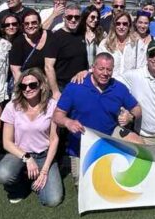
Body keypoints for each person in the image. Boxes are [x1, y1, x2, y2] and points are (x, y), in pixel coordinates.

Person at [53, 53, 143, 183]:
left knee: (139, 144)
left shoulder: (118, 88)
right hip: (81, 142)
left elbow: (137, 109)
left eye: (109, 69)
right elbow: (57, 115)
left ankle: (135, 181)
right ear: (92, 67)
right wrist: (68, 122)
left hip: (109, 134)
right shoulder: (75, 86)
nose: (105, 73)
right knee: (83, 183)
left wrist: (130, 116)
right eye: (101, 69)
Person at [0, 68, 62, 206]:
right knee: (3, 174)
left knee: (53, 200)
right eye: (23, 86)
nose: (28, 89)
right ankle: (20, 187)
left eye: (32, 85)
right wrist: (27, 158)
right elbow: (7, 142)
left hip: (44, 155)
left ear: (41, 85)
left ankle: (34, 179)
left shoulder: (52, 106)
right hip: (20, 154)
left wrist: (44, 171)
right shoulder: (12, 107)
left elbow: (54, 139)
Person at [44, 5, 91, 99]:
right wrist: (55, 91)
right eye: (69, 17)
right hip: (62, 87)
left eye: (76, 17)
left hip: (81, 85)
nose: (73, 20)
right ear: (64, 18)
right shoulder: (55, 37)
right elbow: (48, 66)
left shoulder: (82, 34)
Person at [10, 10, 50, 83]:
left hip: (48, 84)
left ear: (39, 23)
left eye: (34, 22)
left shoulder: (49, 36)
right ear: (23, 25)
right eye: (26, 23)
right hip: (28, 84)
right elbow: (15, 70)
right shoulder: (19, 42)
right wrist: (25, 86)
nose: (30, 26)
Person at [98, 11, 134, 81]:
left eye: (125, 24)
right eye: (118, 24)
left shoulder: (137, 44)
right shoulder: (105, 44)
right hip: (111, 84)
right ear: (114, 25)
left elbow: (141, 68)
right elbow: (100, 66)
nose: (121, 27)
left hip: (131, 84)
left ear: (129, 25)